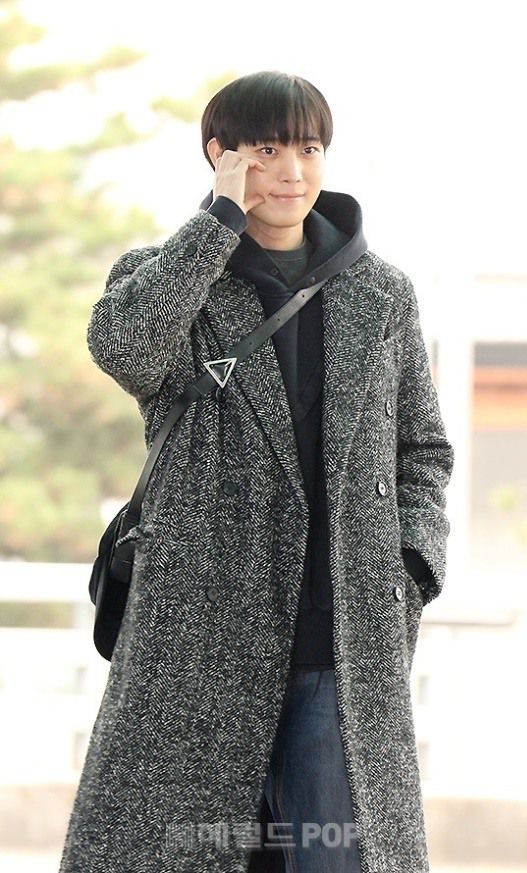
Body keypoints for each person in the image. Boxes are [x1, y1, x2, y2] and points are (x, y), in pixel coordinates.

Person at [59, 70, 454, 873]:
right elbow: (126, 349)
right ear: (222, 155)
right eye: (267, 151)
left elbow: (422, 449)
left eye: (308, 149)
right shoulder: (173, 278)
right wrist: (217, 223)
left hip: (341, 642)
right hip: (201, 640)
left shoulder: (381, 293)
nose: (292, 171)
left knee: (337, 856)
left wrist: (409, 567)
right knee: (185, 853)